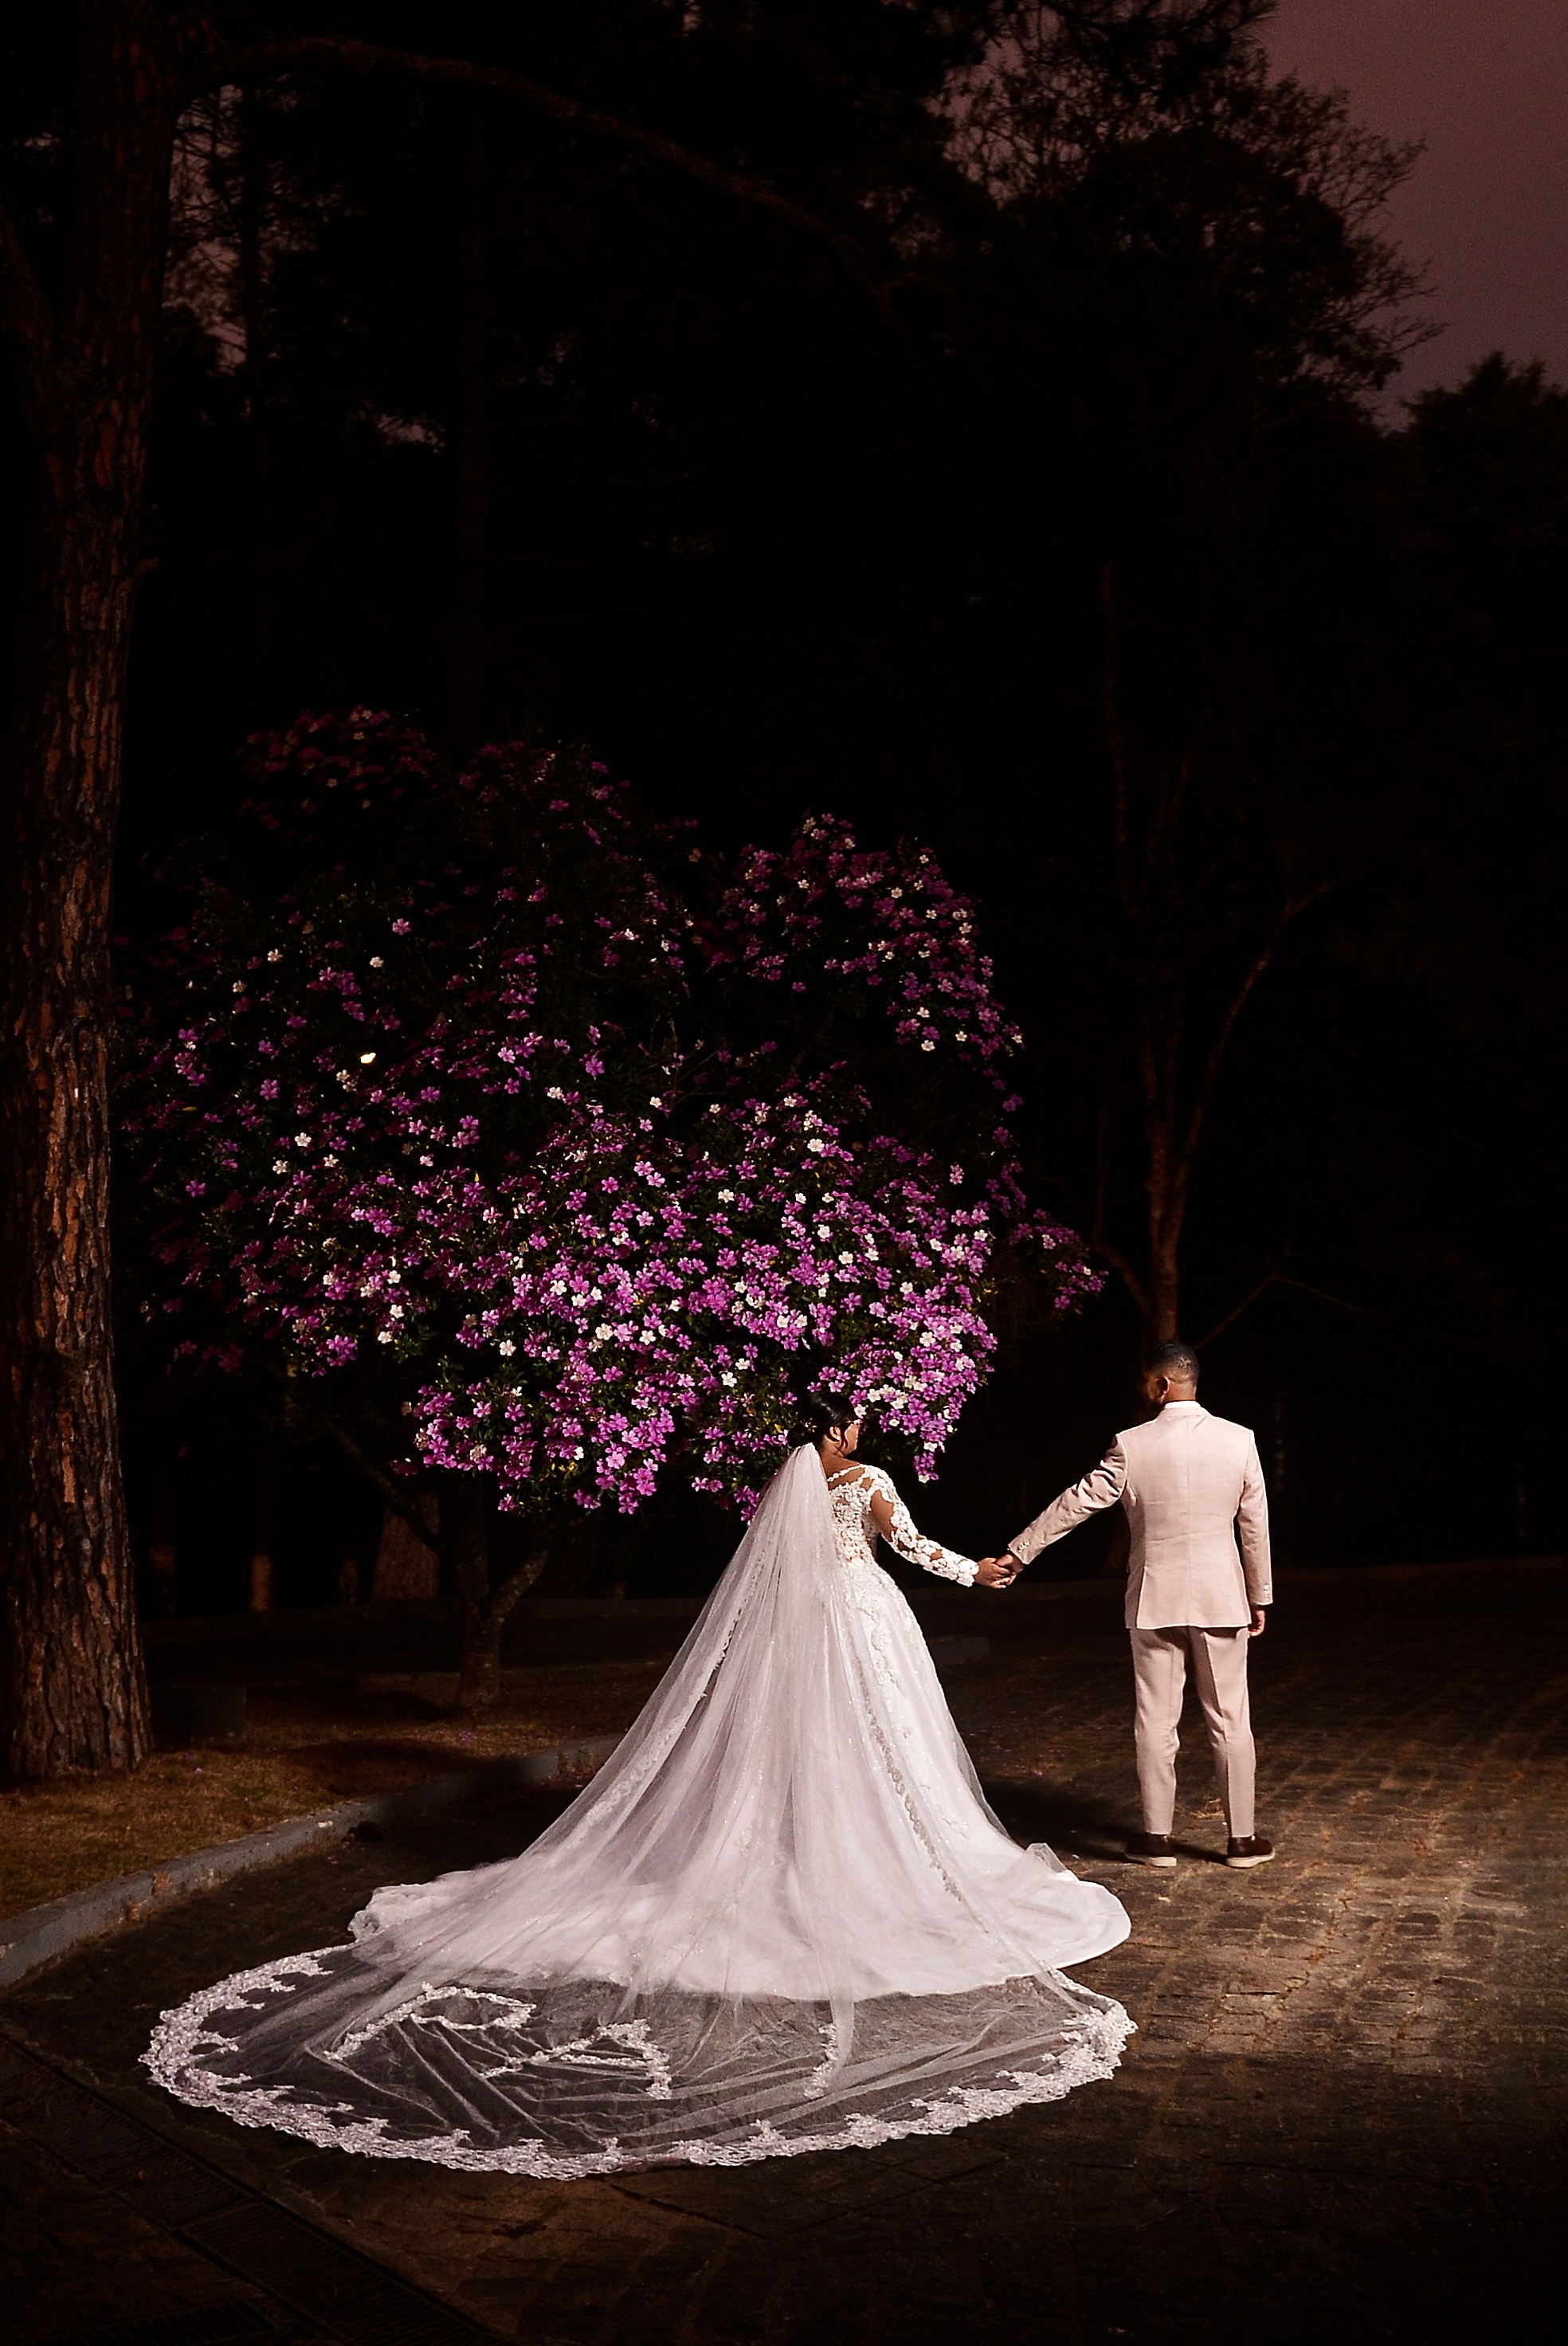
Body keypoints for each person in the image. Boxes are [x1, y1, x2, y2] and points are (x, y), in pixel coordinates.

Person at [147, 1400, 1132, 2178]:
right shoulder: (869, 1481)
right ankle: (864, 1856)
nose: (868, 1429)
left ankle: (788, 1841)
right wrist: (979, 1572)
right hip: (861, 1626)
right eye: (860, 1416)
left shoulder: (786, 1482)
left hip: (794, 1636)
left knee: (790, 1748)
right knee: (881, 1743)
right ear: (841, 1427)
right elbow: (908, 1547)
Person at [987, 1343, 1275, 1870]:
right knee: (1231, 1718)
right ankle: (1241, 1840)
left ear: (1162, 1385)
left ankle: (1157, 1839)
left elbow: (1077, 1501)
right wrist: (1259, 1595)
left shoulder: (1132, 1444)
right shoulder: (1240, 1441)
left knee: (1155, 1719)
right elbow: (1254, 1528)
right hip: (1220, 1598)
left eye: (1145, 1382)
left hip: (1154, 1597)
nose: (1142, 1390)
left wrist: (1020, 1552)